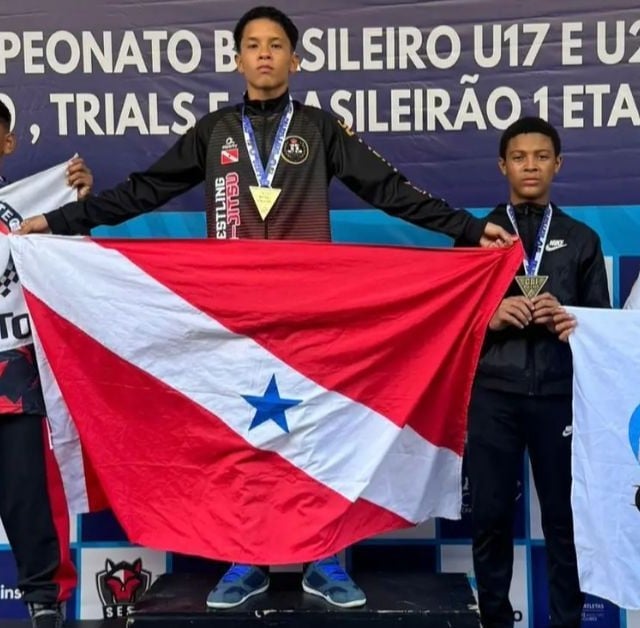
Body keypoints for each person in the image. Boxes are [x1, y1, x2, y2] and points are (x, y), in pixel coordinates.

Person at [18, 5, 514, 611]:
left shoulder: (321, 130)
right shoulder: (214, 131)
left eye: (276, 45)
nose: (264, 54)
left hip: (310, 314)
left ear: (294, 60)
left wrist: (468, 230)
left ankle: (323, 558)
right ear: (237, 59)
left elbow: (389, 190)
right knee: (237, 435)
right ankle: (244, 558)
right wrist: (55, 222)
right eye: (253, 44)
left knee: (320, 432)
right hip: (231, 318)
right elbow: (143, 191)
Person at [456, 116, 610, 628]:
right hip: (492, 395)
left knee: (564, 521)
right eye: (519, 157)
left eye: (541, 157)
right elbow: (454, 324)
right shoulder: (476, 237)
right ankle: (495, 621)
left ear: (557, 164)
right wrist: (491, 317)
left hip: (559, 397)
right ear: (502, 165)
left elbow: (601, 326)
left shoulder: (581, 239)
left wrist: (570, 320)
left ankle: (567, 622)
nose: (530, 166)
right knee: (491, 518)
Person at [0, 101, 93, 628]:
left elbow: (74, 269)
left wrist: (74, 203)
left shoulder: (31, 206)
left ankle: (43, 602)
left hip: (14, 372)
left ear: (8, 142)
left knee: (27, 494)